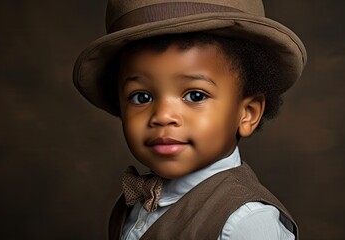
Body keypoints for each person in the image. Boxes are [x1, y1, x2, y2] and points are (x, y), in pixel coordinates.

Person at [73, 0, 306, 239]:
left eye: (195, 95)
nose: (163, 116)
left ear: (248, 113)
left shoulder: (243, 224)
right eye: (141, 96)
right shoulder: (133, 203)